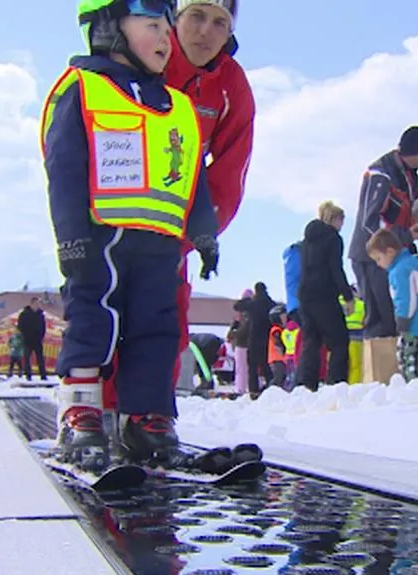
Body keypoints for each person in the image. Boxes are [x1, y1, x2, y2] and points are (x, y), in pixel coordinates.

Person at [41, 0, 218, 469]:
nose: (166, 39)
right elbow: (64, 167)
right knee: (93, 317)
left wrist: (204, 233)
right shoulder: (83, 90)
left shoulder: (176, 106)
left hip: (160, 243)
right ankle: (81, 411)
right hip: (101, 239)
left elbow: (192, 178)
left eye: (167, 29)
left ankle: (148, 418)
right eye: (153, 26)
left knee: (156, 328)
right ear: (108, 28)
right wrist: (71, 237)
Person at [167, 0, 255, 395]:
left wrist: (197, 234)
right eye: (197, 16)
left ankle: (152, 416)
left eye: (220, 22)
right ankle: (89, 409)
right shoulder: (145, 53)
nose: (206, 31)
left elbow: (229, 171)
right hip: (114, 219)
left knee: (167, 316)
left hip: (173, 229)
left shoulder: (229, 83)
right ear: (175, 17)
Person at [348, 126, 418, 340]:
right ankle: (380, 370)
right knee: (381, 318)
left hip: (393, 256)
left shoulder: (409, 177)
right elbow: (371, 221)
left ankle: (395, 368)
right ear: (413, 152)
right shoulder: (381, 174)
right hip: (371, 256)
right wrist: (406, 236)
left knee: (396, 315)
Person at [366, 229, 418, 382]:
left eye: (379, 259)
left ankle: (412, 387)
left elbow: (405, 298)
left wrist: (402, 319)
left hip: (413, 323)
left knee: (407, 357)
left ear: (390, 252)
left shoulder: (399, 270)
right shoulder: (417, 264)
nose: (378, 264)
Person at [297, 201, 354, 390]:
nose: (342, 226)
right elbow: (336, 269)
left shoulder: (307, 241)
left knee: (311, 340)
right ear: (335, 219)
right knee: (339, 340)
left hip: (305, 295)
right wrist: (347, 295)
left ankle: (306, 384)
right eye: (342, 221)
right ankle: (336, 383)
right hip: (324, 295)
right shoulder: (333, 238)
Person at [17, 298, 48, 381]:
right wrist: (24, 335)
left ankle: (43, 375)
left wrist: (41, 336)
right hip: (27, 340)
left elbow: (43, 327)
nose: (38, 305)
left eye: (39, 304)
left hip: (37, 340)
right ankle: (28, 375)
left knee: (40, 358)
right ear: (32, 304)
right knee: (27, 358)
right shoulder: (24, 314)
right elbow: (20, 326)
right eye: (36, 304)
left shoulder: (40, 315)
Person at [267, 304, 288, 389]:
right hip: (277, 359)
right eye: (283, 316)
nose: (285, 318)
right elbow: (278, 343)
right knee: (278, 378)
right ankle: (270, 392)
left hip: (280, 359)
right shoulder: (276, 330)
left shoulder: (282, 330)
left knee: (282, 378)